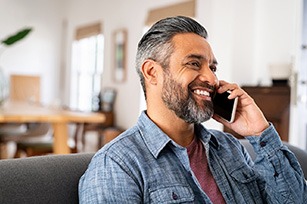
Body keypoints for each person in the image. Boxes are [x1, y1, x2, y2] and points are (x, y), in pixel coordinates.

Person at [79, 16, 307, 203]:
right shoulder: (117, 165)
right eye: (194, 64)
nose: (211, 78)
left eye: (213, 67)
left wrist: (260, 132)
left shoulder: (230, 148)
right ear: (151, 72)